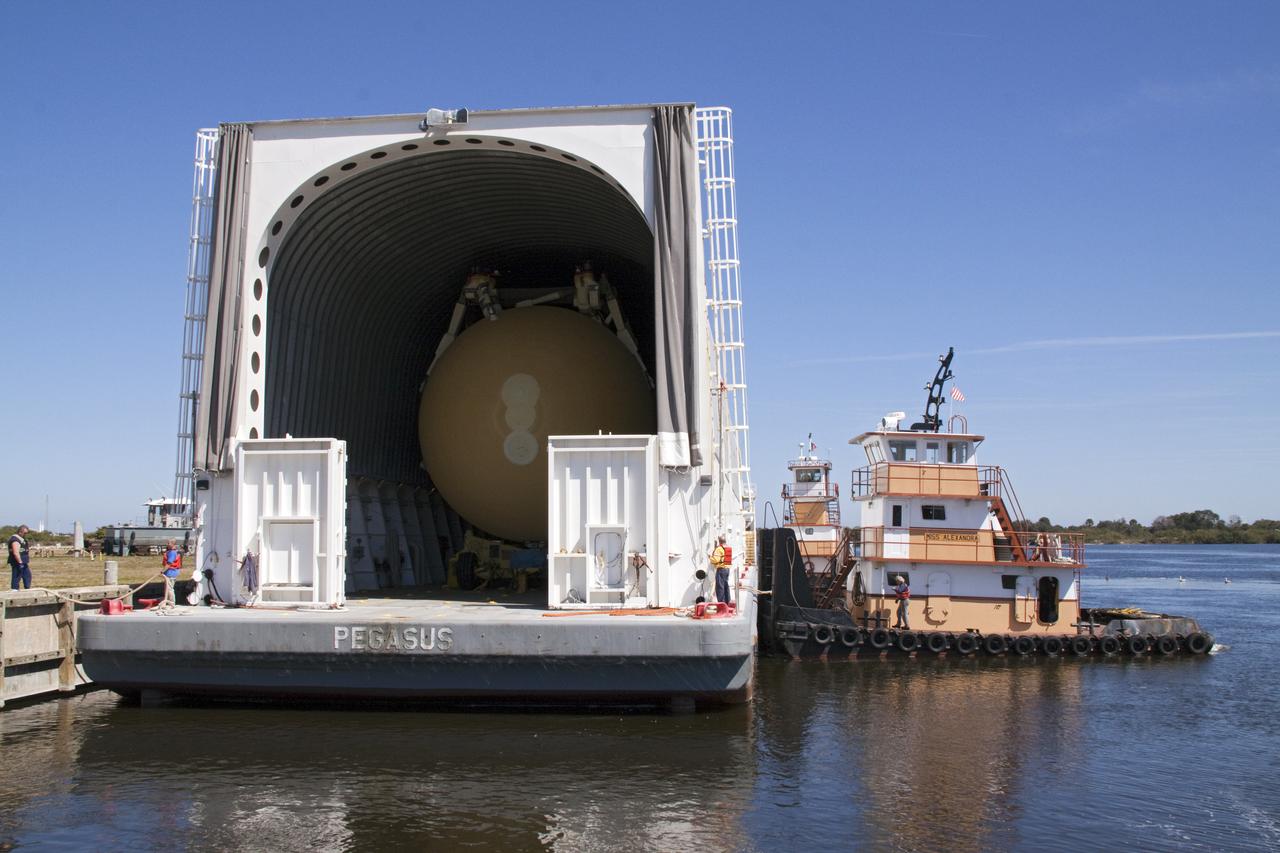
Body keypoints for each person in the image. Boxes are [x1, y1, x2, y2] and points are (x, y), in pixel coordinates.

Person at [8, 525, 31, 590]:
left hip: (23, 562)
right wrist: (20, 562)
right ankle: (14, 590)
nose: (26, 534)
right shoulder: (15, 540)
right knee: (17, 576)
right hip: (17, 562)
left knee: (27, 576)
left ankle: (27, 589)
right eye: (25, 533)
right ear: (20, 531)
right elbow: (15, 553)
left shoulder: (21, 539)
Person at [161, 539, 183, 607]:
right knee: (167, 588)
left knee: (169, 588)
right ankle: (166, 602)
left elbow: (169, 563)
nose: (167, 544)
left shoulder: (172, 553)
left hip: (171, 572)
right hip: (169, 572)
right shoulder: (170, 552)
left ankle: (172, 603)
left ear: (173, 544)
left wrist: (163, 571)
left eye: (169, 543)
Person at [710, 535, 731, 606]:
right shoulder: (728, 547)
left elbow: (716, 560)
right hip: (727, 569)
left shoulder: (719, 549)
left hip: (721, 570)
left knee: (720, 587)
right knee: (725, 586)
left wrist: (710, 557)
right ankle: (727, 603)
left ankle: (722, 605)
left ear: (719, 541)